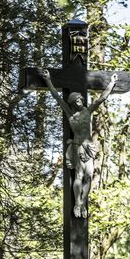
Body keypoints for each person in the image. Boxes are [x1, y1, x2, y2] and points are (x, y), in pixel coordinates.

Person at [40, 68, 118, 218]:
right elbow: (57, 97)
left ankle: (83, 202)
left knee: (89, 176)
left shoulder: (88, 111)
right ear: (73, 103)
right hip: (78, 146)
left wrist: (111, 83)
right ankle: (77, 203)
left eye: (81, 99)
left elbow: (101, 98)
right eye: (77, 100)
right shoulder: (71, 115)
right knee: (79, 175)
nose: (80, 101)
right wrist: (48, 80)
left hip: (89, 146)